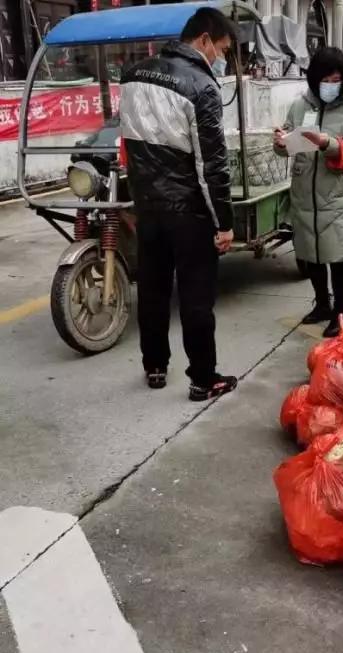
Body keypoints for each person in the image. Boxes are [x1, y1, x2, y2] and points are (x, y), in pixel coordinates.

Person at [120, 8, 238, 401]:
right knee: (195, 298)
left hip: (147, 207)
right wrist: (224, 222)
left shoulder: (134, 74)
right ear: (204, 39)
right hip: (188, 211)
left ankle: (154, 367)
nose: (220, 58)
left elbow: (131, 145)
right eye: (221, 49)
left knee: (153, 291)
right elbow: (212, 165)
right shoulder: (201, 86)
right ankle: (203, 379)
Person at [274, 47, 343, 338]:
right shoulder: (301, 105)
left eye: (336, 79)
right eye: (325, 78)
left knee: (336, 256)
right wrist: (280, 141)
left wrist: (327, 143)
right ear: (314, 79)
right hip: (304, 194)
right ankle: (322, 305)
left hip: (336, 197)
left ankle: (341, 312)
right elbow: (285, 144)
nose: (331, 84)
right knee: (310, 255)